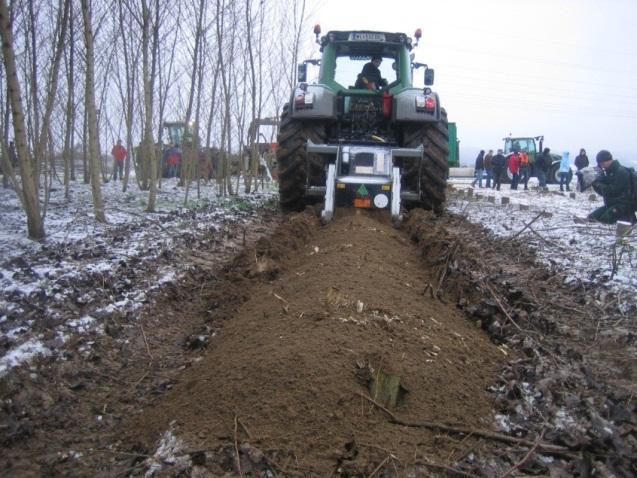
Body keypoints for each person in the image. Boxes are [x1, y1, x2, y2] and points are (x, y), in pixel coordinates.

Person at [588, 150, 636, 224]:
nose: (602, 166)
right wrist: (594, 183)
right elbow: (603, 193)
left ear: (607, 161)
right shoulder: (609, 172)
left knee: (604, 220)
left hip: (623, 206)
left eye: (602, 163)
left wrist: (598, 184)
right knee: (591, 218)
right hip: (611, 205)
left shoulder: (621, 172)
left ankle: (629, 220)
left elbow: (611, 191)